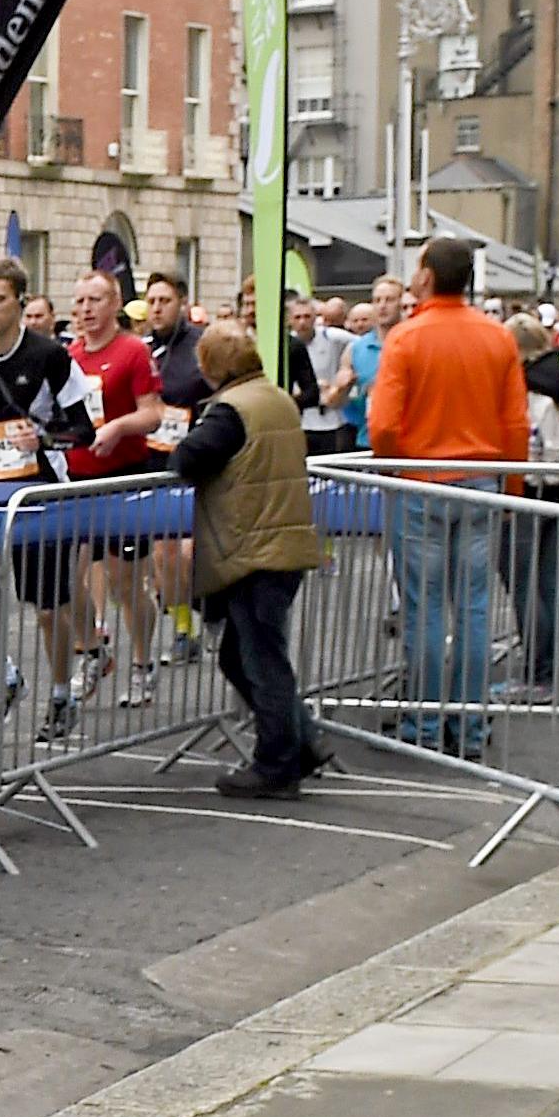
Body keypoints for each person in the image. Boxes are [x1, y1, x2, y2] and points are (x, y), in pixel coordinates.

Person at [361, 237, 527, 755]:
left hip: (421, 481)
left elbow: (383, 423)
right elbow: (515, 424)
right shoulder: (498, 338)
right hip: (481, 481)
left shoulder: (407, 340)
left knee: (425, 607)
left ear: (428, 277)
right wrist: (515, 486)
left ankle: (425, 725)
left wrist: (394, 467)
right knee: (475, 607)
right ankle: (470, 724)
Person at [173, 321, 329, 798]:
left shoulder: (229, 411)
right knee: (245, 657)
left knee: (260, 661)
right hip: (281, 542)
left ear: (211, 368)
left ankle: (277, 764)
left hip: (253, 547)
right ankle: (301, 743)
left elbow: (187, 460)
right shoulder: (276, 397)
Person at [0, 256, 89, 729]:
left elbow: (83, 430)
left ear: (20, 303)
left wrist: (44, 437)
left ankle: (62, 693)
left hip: (42, 489)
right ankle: (6, 673)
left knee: (48, 609)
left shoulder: (50, 355)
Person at [53, 269, 170, 707]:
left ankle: (142, 663)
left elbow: (153, 415)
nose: (86, 310)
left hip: (122, 477)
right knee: (64, 578)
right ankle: (93, 651)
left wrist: (119, 427)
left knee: (124, 583)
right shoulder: (68, 356)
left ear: (115, 303)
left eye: (95, 300)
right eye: (79, 301)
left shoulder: (133, 351)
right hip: (75, 478)